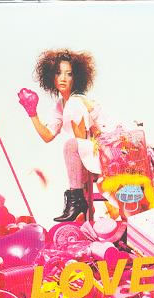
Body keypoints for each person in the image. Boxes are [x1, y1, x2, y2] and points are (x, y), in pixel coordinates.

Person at [18, 49, 97, 222]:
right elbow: (47, 136)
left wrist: (81, 186)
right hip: (90, 152)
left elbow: (81, 142)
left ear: (76, 77)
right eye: (58, 73)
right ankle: (78, 202)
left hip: (106, 151)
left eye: (69, 74)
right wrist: (32, 112)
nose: (63, 78)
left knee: (71, 145)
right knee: (71, 146)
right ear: (51, 76)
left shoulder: (75, 102)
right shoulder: (61, 104)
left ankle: (77, 201)